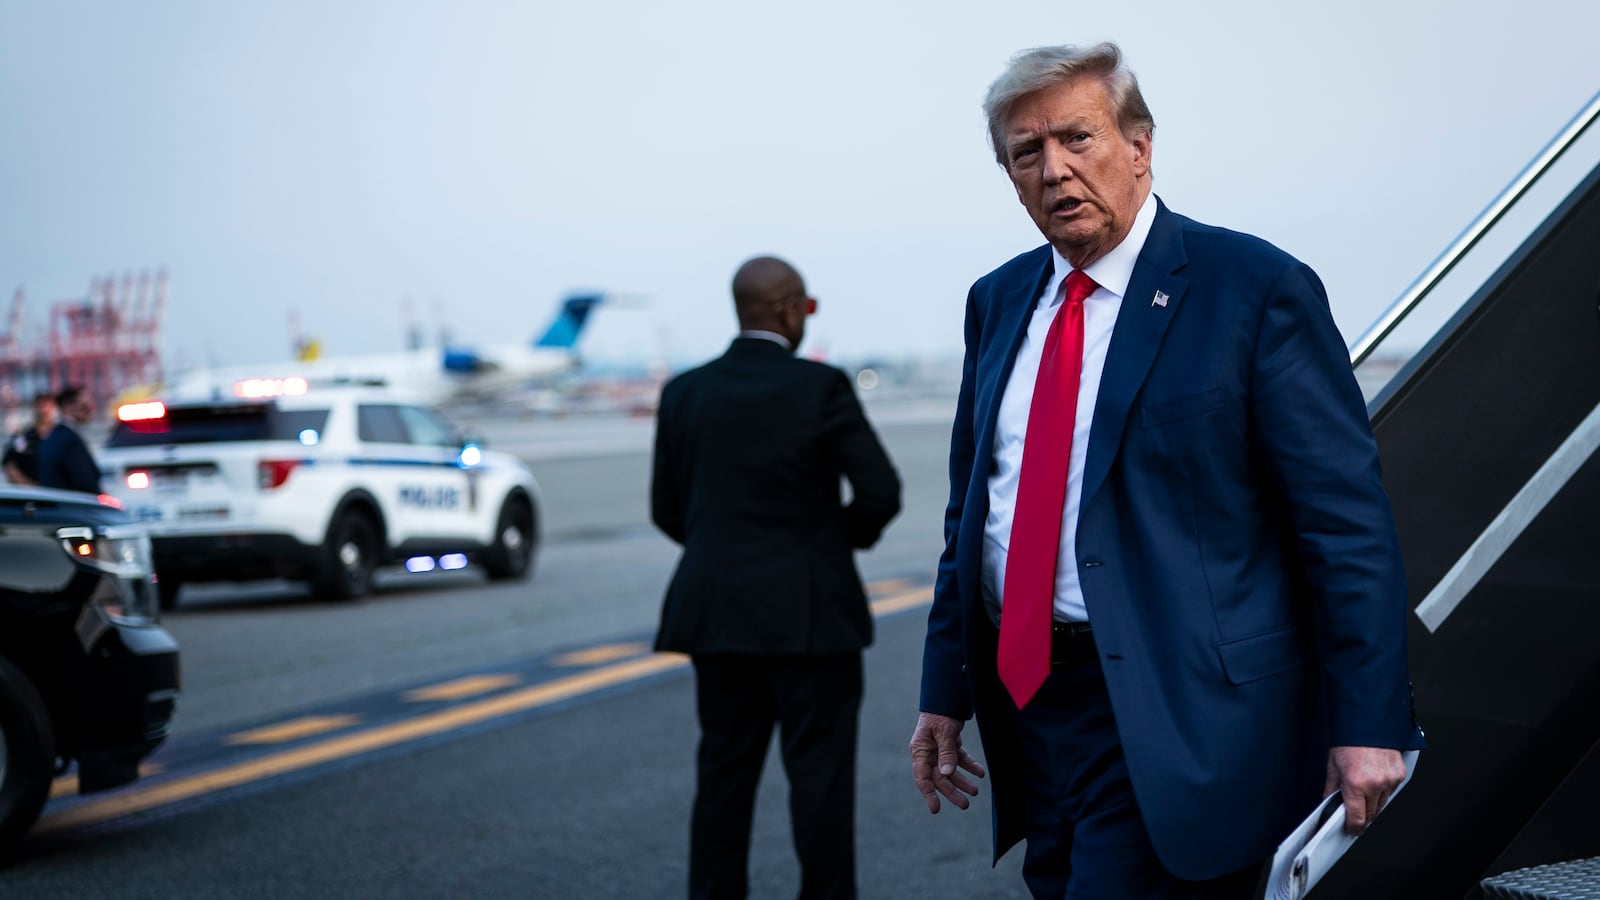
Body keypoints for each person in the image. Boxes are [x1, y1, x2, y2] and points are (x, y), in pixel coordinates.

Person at [907, 43, 1424, 898]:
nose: (1055, 169)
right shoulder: (997, 301)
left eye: (1078, 138)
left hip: (1181, 709)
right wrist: (945, 691)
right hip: (1035, 708)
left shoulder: (1252, 288)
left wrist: (1371, 722)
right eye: (1027, 153)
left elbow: (1346, 528)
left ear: (1140, 147)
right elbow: (977, 515)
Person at [652, 256, 901, 900]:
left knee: (723, 781)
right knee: (819, 787)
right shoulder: (819, 388)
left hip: (718, 615)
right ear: (791, 310)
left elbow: (666, 508)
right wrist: (829, 544)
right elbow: (880, 492)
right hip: (814, 620)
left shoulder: (684, 392)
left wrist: (726, 552)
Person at [37, 385, 102, 494]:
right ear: (67, 407)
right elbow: (84, 482)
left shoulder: (55, 436)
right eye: (84, 406)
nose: (90, 410)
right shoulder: (69, 441)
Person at [3, 392, 57, 485]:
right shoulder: (22, 437)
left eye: (48, 406)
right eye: (40, 406)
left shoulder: (63, 437)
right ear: (33, 409)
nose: (43, 410)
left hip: (61, 493)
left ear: (54, 409)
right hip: (31, 494)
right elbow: (10, 466)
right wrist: (31, 488)